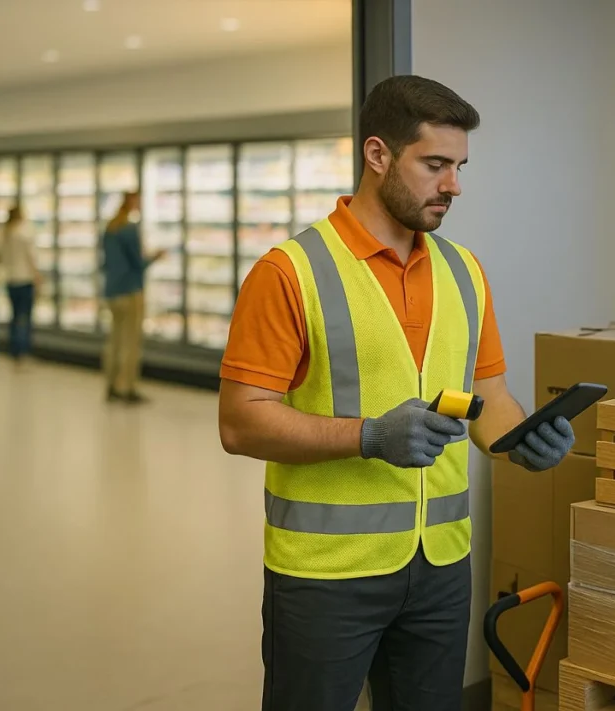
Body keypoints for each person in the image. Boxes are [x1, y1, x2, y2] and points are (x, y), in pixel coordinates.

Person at [218, 75, 575, 711]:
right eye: (435, 164)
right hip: (327, 575)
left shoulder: (464, 272)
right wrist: (370, 434)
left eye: (460, 166)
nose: (454, 185)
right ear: (378, 155)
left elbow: (488, 396)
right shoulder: (289, 273)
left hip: (440, 569)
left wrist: (522, 442)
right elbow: (240, 424)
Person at [101, 191, 163, 402]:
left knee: (115, 341)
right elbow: (138, 264)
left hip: (111, 291)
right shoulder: (130, 229)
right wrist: (155, 257)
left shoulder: (110, 228)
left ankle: (110, 385)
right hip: (130, 291)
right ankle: (126, 388)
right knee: (131, 342)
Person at [1, 205, 41, 363]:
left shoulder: (4, 234)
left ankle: (14, 349)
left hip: (10, 279)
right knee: (24, 316)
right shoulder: (23, 233)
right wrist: (37, 276)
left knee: (15, 315)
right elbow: (31, 257)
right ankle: (23, 351)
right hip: (24, 279)